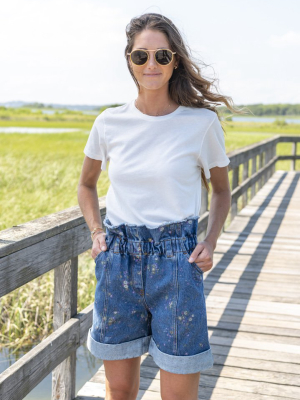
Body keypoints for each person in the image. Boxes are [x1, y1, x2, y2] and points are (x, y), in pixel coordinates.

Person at [78, 12, 239, 400]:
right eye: (141, 56)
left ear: (175, 61)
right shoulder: (109, 122)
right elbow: (86, 184)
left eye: (162, 56)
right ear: (130, 61)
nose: (151, 65)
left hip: (177, 265)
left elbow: (220, 190)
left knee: (178, 392)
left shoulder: (200, 123)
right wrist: (97, 233)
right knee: (118, 389)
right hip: (118, 262)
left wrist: (211, 242)